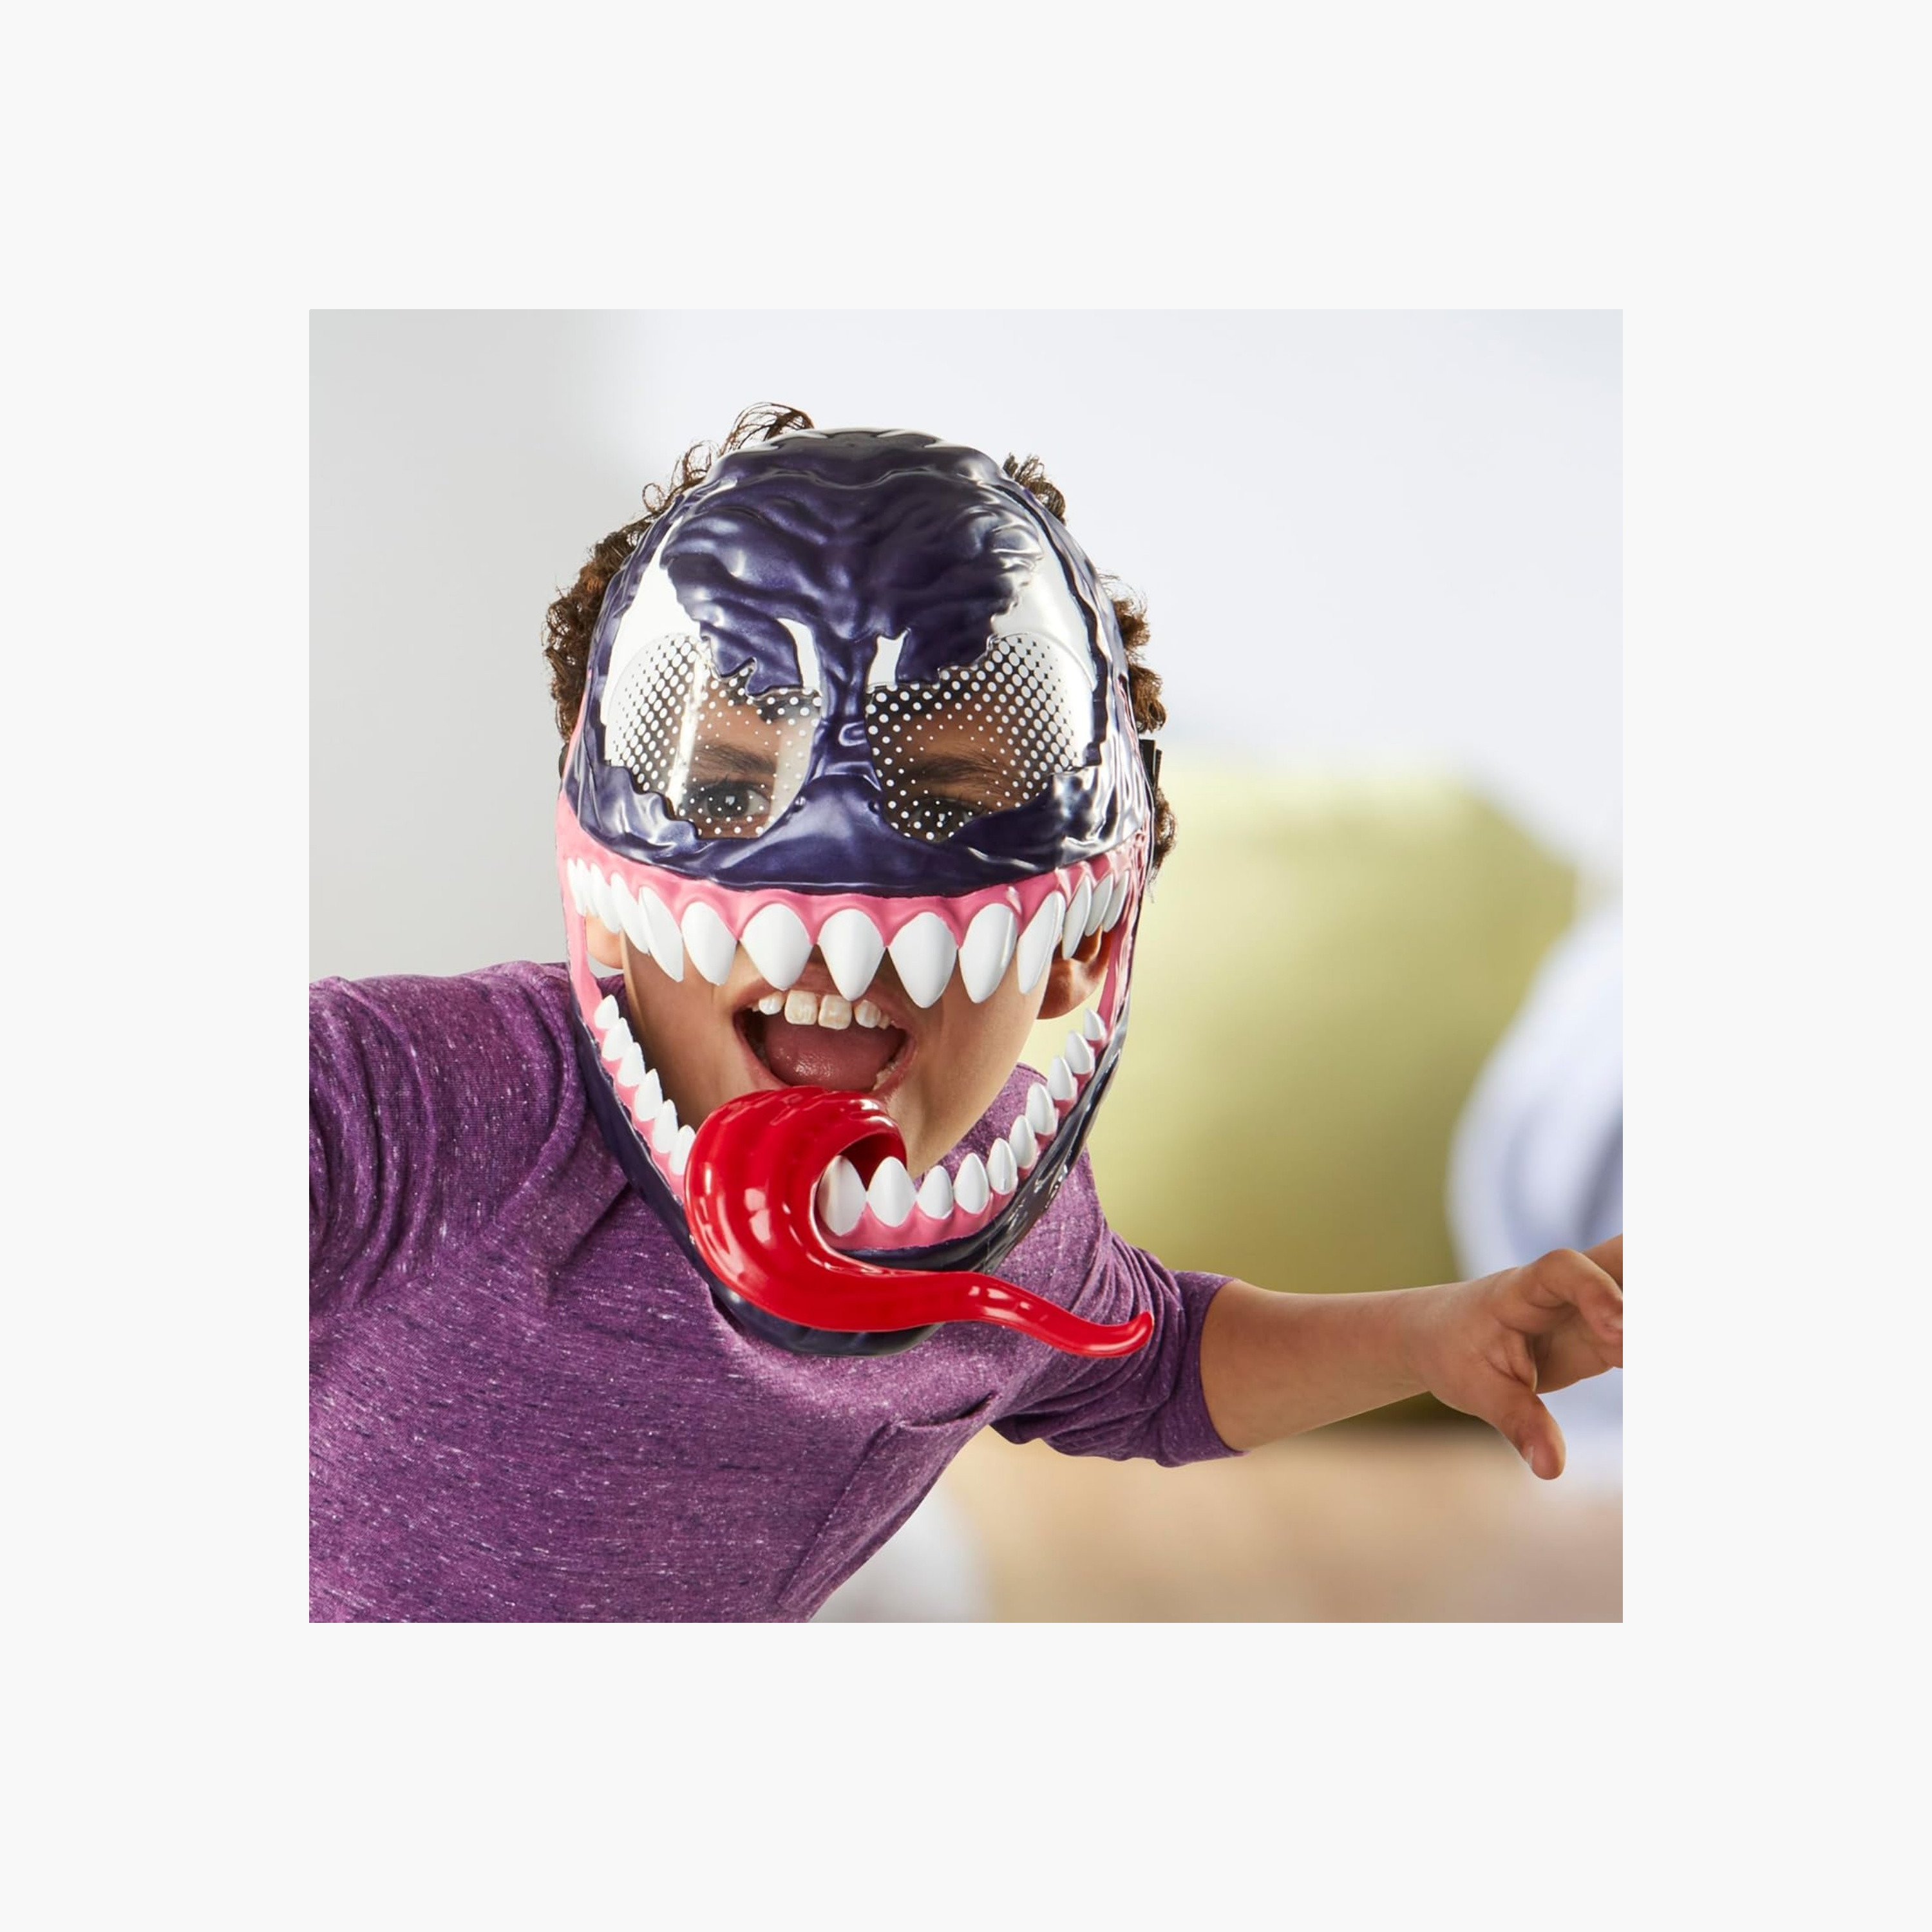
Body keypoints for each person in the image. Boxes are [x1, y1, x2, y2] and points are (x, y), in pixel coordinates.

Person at [310, 405, 1623, 1622]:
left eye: (945, 799)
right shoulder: (431, 1108)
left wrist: (1433, 1337)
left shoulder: (1011, 1232)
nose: (836, 867)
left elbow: (1158, 1361)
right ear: (609, 895)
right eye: (722, 788)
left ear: (1076, 945)